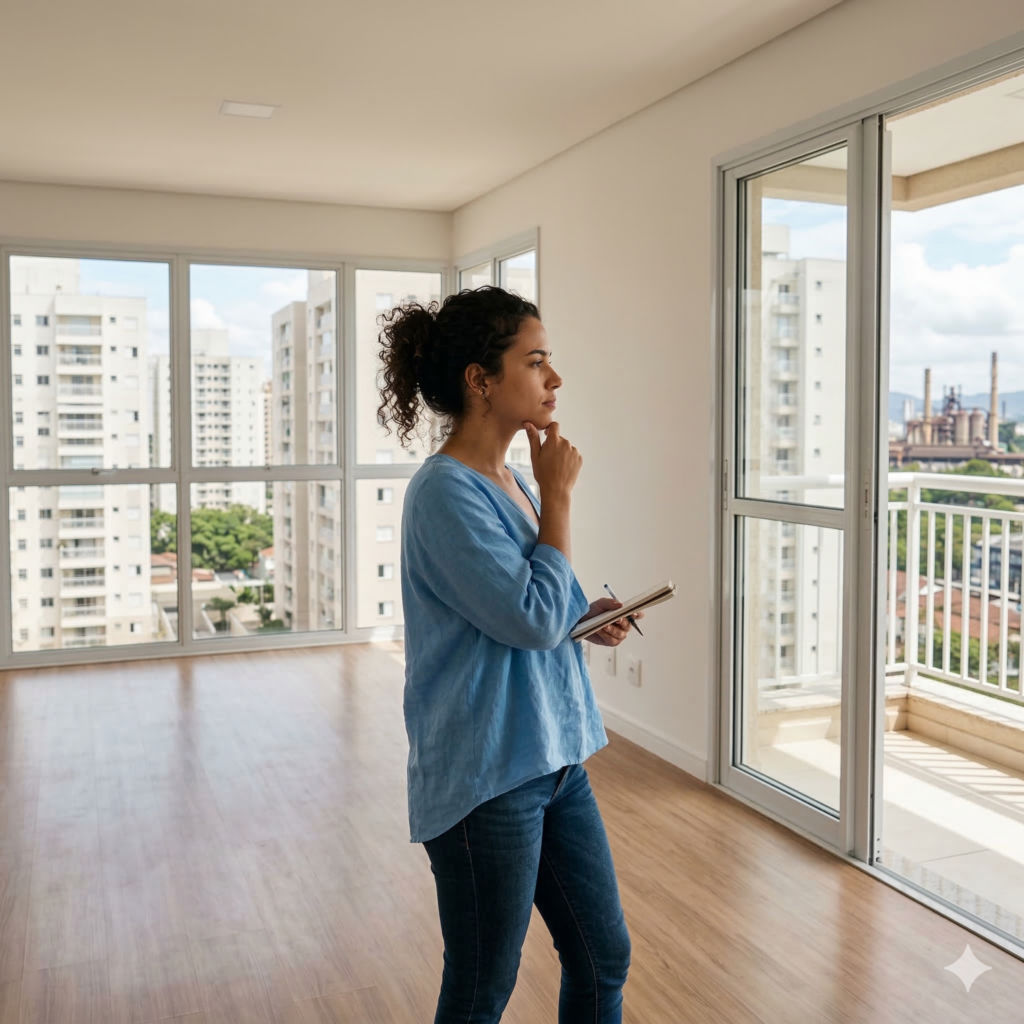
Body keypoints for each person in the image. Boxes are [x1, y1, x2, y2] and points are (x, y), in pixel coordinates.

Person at [377, 284, 639, 1023]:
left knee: (602, 955)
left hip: (555, 760)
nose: (555, 379)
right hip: (486, 780)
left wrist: (588, 618)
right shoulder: (444, 494)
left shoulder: (514, 479)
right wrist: (560, 499)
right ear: (480, 380)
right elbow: (526, 619)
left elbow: (544, 610)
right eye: (537, 361)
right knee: (482, 984)